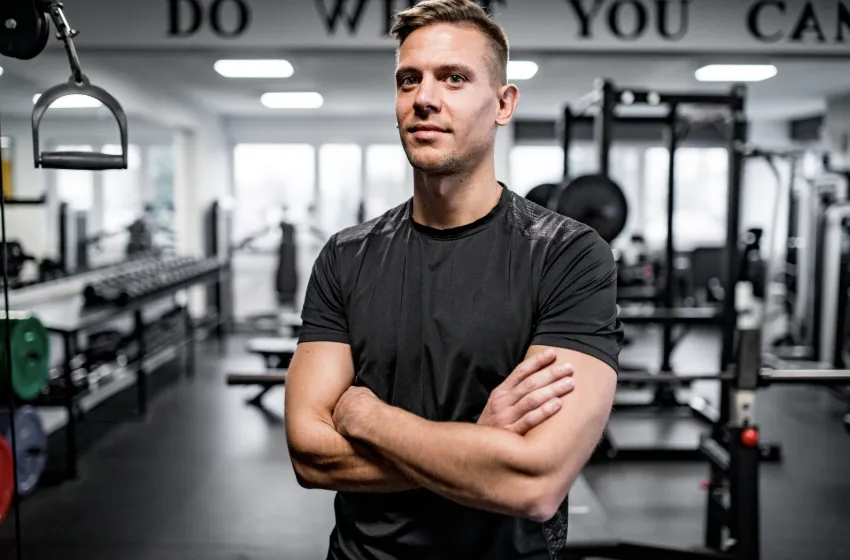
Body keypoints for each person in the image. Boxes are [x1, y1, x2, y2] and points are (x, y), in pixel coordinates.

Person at [284, 1, 623, 558]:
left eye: (455, 78)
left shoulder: (569, 256)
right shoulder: (346, 257)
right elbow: (310, 455)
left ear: (503, 103)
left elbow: (533, 483)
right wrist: (482, 442)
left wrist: (368, 417)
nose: (424, 98)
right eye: (408, 79)